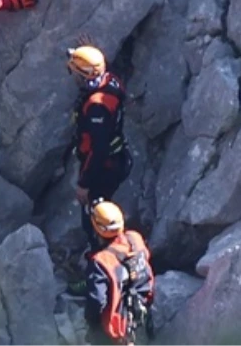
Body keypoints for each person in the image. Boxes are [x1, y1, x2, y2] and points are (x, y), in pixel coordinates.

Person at [66, 44, 133, 239]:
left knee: (95, 214)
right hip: (115, 157)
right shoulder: (110, 80)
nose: (73, 77)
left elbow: (99, 149)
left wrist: (84, 183)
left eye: (75, 73)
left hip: (104, 167)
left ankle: (99, 249)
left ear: (85, 77)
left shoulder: (97, 107)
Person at [80, 200, 155, 345]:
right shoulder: (135, 239)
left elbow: (97, 301)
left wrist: (92, 326)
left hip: (116, 329)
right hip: (141, 313)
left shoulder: (101, 262)